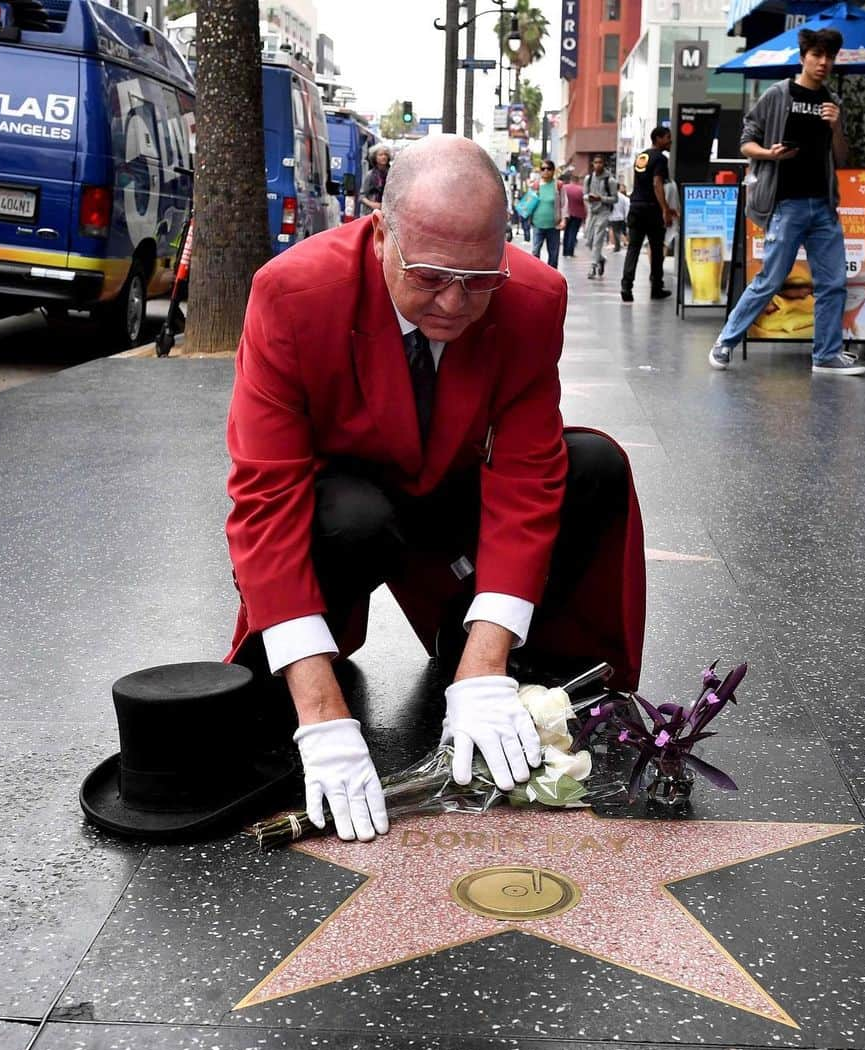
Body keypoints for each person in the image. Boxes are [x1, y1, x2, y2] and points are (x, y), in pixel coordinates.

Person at [226, 135, 646, 844]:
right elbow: (265, 495)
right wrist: (322, 712)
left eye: (479, 276)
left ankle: (475, 642)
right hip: (345, 515)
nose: (455, 303)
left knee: (592, 464)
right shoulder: (294, 293)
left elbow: (527, 473)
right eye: (428, 275)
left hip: (453, 508)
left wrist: (484, 664)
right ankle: (315, 656)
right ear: (381, 230)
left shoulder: (532, 298)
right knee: (347, 515)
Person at [708, 27, 865, 376]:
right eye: (817, 56)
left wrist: (837, 127)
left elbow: (842, 157)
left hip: (823, 205)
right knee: (771, 279)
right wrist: (770, 154)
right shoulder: (778, 95)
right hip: (787, 204)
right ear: (803, 57)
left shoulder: (832, 102)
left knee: (833, 283)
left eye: (829, 57)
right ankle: (725, 342)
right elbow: (746, 142)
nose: (824, 63)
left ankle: (826, 355)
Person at [621, 126, 676, 303]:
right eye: (667, 137)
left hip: (635, 207)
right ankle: (656, 287)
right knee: (657, 247)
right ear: (658, 138)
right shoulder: (660, 158)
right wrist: (665, 209)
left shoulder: (641, 157)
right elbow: (657, 183)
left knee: (633, 248)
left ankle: (626, 286)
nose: (670, 141)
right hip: (651, 209)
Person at [583, 154, 617, 279]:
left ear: (604, 164)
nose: (598, 165)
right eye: (595, 162)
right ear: (592, 164)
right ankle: (600, 259)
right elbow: (584, 195)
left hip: (604, 212)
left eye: (600, 162)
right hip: (592, 212)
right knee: (589, 241)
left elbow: (615, 199)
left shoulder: (610, 180)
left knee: (598, 240)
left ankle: (593, 266)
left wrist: (601, 198)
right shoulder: (589, 178)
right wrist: (589, 197)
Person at [529, 160, 565, 269]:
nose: (546, 171)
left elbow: (564, 204)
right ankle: (536, 275)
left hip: (554, 225)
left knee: (553, 255)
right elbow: (528, 203)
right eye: (543, 169)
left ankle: (552, 277)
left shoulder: (558, 185)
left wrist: (564, 220)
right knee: (535, 252)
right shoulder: (535, 185)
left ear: (553, 171)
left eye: (549, 169)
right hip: (537, 224)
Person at [359, 144, 392, 215]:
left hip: (388, 213)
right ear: (375, 158)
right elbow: (361, 196)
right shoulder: (370, 175)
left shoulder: (392, 174)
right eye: (380, 155)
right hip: (371, 213)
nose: (384, 157)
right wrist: (372, 204)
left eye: (385, 155)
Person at [561, 174, 586, 257]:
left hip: (566, 213)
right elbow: (584, 203)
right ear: (578, 180)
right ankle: (570, 252)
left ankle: (565, 251)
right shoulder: (581, 189)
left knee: (566, 233)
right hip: (578, 214)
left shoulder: (564, 188)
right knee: (573, 232)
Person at [609, 186, 629, 253]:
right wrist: (626, 216)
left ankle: (617, 247)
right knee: (619, 231)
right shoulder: (623, 197)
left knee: (616, 232)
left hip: (614, 217)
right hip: (621, 217)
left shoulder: (612, 196)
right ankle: (618, 246)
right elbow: (626, 207)